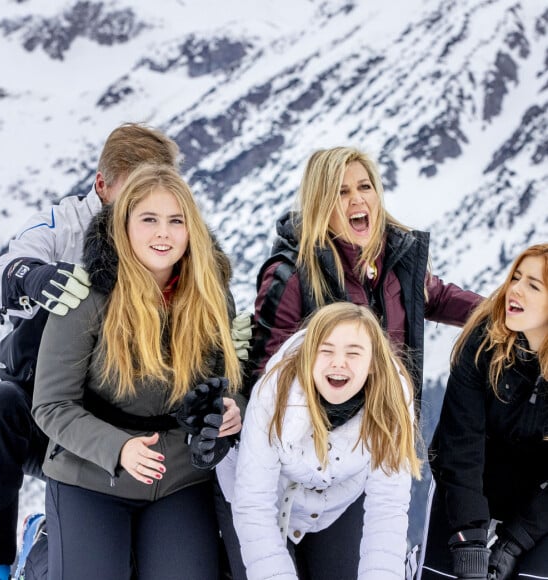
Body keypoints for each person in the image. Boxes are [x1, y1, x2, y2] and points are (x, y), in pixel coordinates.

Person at [0, 123, 180, 579]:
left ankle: (50, 539)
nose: (150, 200)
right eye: (137, 188)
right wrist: (32, 278)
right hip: (45, 410)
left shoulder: (165, 240)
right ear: (103, 185)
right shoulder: (63, 226)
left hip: (123, 418)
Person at [31, 162, 243, 580]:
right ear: (124, 224)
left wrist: (233, 408)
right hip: (90, 475)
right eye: (149, 220)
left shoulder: (211, 297)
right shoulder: (86, 296)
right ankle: (42, 552)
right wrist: (119, 449)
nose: (163, 233)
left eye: (175, 221)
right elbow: (51, 405)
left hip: (179, 480)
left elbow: (231, 381)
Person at [251, 146, 482, 400]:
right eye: (342, 191)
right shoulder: (291, 276)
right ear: (321, 203)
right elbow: (270, 376)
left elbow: (440, 298)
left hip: (392, 425)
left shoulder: (395, 259)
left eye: (365, 187)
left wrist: (505, 311)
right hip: (326, 434)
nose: (358, 199)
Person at [227, 302, 421, 579]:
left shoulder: (392, 401)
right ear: (308, 356)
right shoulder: (274, 393)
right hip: (259, 500)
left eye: (353, 354)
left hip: (333, 504)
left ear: (374, 364)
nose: (338, 363)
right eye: (326, 351)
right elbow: (253, 506)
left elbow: (387, 508)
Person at [417, 243, 548, 580]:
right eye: (516, 277)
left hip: (539, 504)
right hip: (467, 485)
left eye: (533, 285)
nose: (514, 289)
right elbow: (460, 447)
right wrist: (470, 542)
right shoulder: (482, 342)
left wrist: (513, 543)